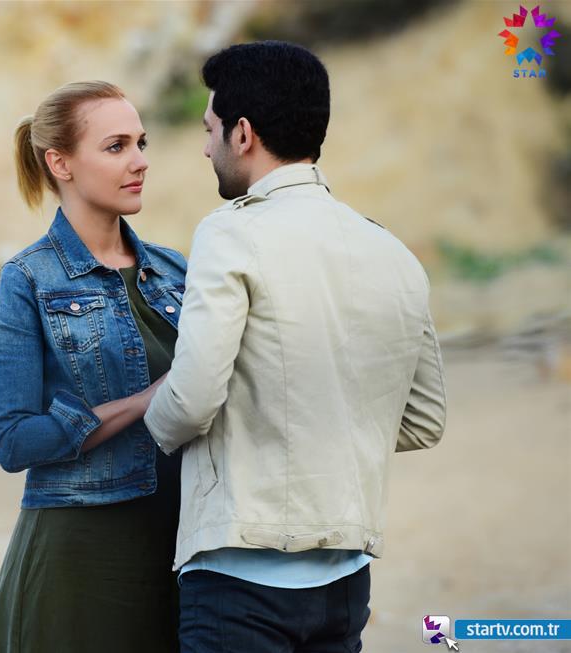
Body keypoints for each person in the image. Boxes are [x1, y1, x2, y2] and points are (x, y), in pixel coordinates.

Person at [143, 41, 448, 653]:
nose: (205, 148)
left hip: (239, 579)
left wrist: (150, 424)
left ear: (243, 134)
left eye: (209, 130)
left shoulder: (231, 232)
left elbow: (193, 398)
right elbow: (424, 420)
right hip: (346, 584)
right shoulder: (391, 251)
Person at [0, 81, 187, 653]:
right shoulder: (27, 280)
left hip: (183, 549)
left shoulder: (177, 271)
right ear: (61, 163)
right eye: (116, 146)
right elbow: (14, 441)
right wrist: (144, 401)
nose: (139, 161)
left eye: (141, 143)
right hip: (78, 562)